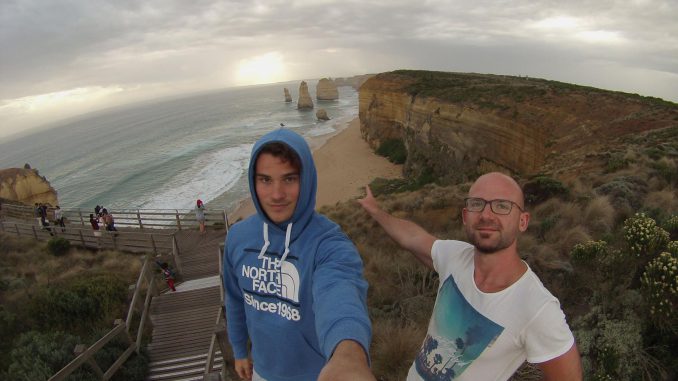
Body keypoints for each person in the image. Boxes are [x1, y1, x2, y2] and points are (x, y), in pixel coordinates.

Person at [358, 172, 583, 381]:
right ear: (466, 216)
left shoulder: (537, 308)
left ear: (522, 221)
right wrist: (376, 210)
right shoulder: (456, 257)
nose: (486, 215)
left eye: (502, 206)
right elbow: (413, 238)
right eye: (477, 204)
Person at [222, 129, 374, 381]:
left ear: (306, 180)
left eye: (289, 179)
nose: (277, 194)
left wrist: (348, 357)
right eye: (265, 180)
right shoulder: (238, 237)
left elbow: (340, 296)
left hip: (320, 375)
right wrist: (239, 350)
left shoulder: (329, 243)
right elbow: (235, 299)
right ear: (252, 181)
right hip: (261, 372)